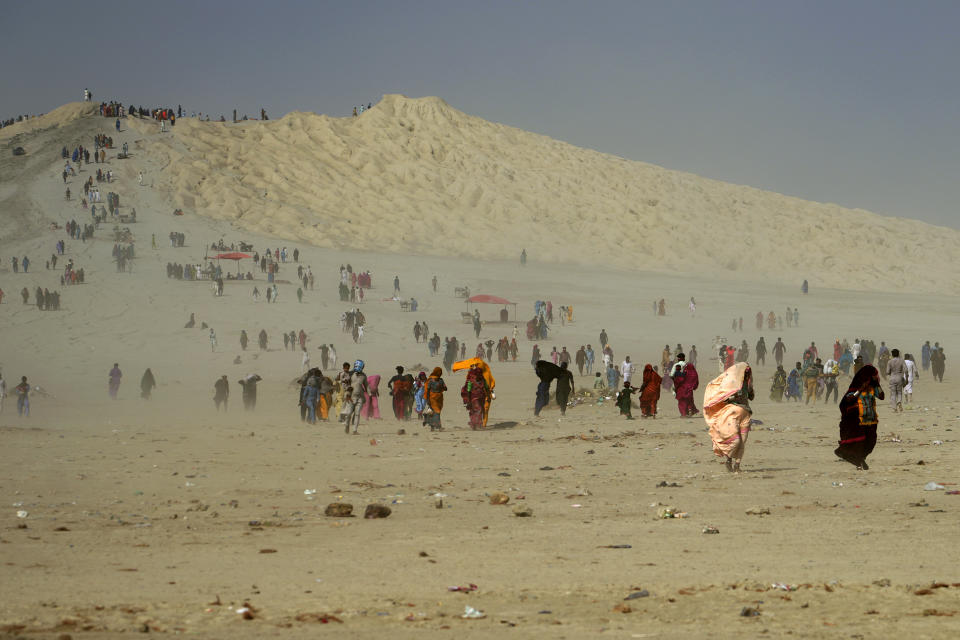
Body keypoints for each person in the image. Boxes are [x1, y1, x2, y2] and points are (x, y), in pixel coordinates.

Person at [704, 362, 755, 472]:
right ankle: (728, 459)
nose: (747, 375)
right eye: (746, 373)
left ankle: (737, 464)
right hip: (732, 413)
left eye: (748, 373)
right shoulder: (733, 385)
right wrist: (734, 395)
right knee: (734, 440)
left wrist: (749, 389)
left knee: (743, 441)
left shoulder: (747, 384)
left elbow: (751, 397)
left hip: (746, 413)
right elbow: (725, 398)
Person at [834, 365, 884, 470]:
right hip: (859, 421)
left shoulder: (872, 388)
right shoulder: (854, 388)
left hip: (871, 419)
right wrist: (861, 389)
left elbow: (881, 396)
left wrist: (877, 384)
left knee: (871, 442)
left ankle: (860, 459)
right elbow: (849, 399)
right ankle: (859, 461)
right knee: (860, 443)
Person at [461, 363, 489, 429]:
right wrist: (468, 399)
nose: (479, 375)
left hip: (482, 397)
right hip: (474, 398)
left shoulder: (483, 380)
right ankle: (475, 423)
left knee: (480, 410)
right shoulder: (471, 381)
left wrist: (489, 394)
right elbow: (468, 390)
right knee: (478, 409)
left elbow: (486, 387)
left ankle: (477, 424)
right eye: (478, 373)